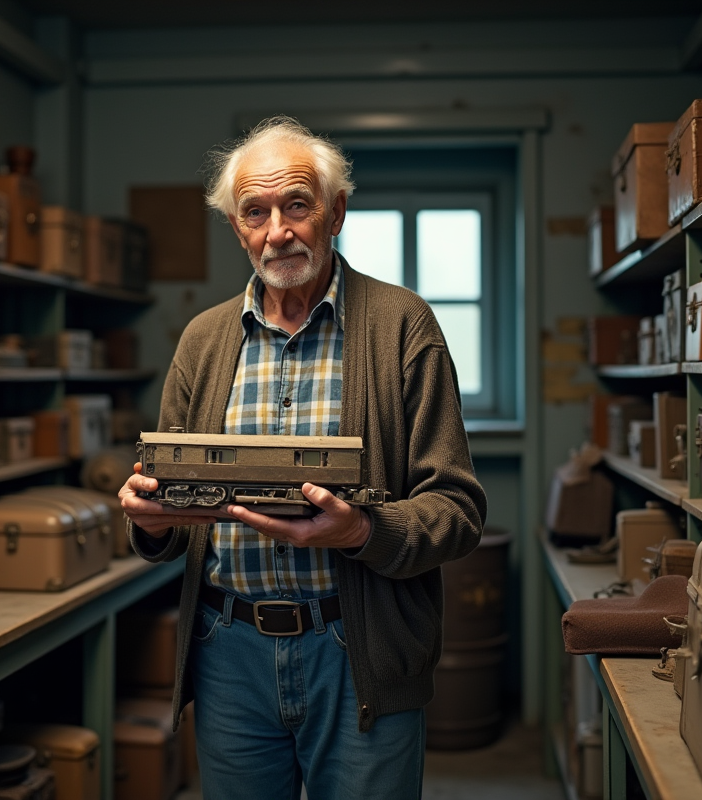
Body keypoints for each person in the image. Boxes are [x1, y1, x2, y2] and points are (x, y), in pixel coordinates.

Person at [119, 116, 486, 800]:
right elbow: (167, 501)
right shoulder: (202, 340)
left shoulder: (404, 326)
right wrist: (151, 518)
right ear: (236, 226)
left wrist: (362, 531)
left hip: (358, 649)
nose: (277, 231)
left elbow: (458, 511)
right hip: (228, 652)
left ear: (336, 211)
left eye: (297, 205)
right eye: (255, 212)